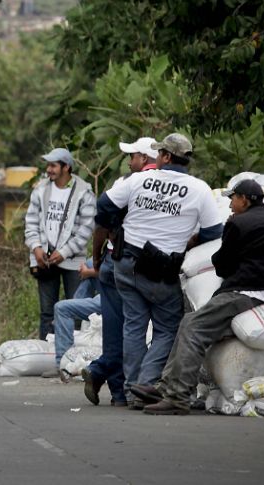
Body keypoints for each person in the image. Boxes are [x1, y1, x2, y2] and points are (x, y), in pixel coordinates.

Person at [131, 179, 264, 415]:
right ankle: (166, 387)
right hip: (263, 293)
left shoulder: (239, 223)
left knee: (193, 326)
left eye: (232, 199)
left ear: (244, 199)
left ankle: (177, 396)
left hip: (241, 293)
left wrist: (228, 233)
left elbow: (222, 266)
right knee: (189, 322)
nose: (230, 205)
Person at [94, 133, 223, 409]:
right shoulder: (199, 189)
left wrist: (115, 230)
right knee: (168, 327)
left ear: (165, 156)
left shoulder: (138, 180)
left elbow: (104, 206)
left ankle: (130, 390)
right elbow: (214, 231)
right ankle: (146, 384)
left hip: (126, 262)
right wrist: (190, 240)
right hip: (160, 268)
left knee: (134, 324)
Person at [82, 137, 159, 407]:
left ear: (145, 160)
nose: (129, 161)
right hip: (154, 266)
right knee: (143, 329)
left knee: (119, 330)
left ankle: (111, 382)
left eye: (134, 156)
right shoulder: (171, 188)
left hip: (116, 262)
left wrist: (96, 257)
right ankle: (123, 387)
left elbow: (101, 223)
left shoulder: (124, 186)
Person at [24, 148, 96, 341]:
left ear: (66, 167)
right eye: (48, 165)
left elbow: (87, 227)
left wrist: (64, 252)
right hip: (44, 260)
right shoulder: (40, 189)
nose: (49, 170)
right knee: (47, 312)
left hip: (73, 261)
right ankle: (48, 357)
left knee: (77, 309)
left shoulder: (84, 191)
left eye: (53, 165)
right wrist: (36, 247)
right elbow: (30, 221)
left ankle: (73, 357)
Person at [42, 260, 101, 380]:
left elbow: (116, 275)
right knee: (90, 263)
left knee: (61, 308)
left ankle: (62, 364)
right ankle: (75, 307)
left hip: (116, 297)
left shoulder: (125, 249)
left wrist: (88, 272)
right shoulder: (114, 249)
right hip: (107, 293)